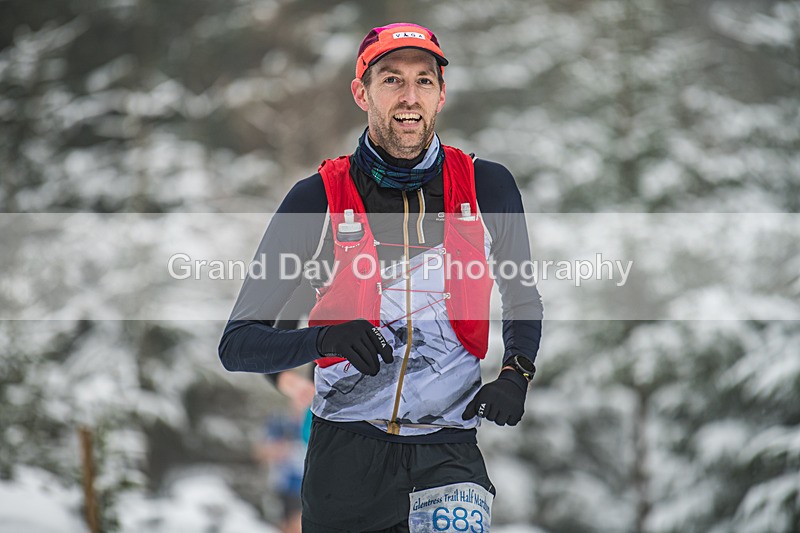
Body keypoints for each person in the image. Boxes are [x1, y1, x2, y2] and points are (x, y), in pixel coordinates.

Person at [219, 22, 543, 532]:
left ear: (441, 95)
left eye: (424, 81)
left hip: (447, 449)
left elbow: (522, 294)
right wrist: (326, 339)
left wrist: (516, 373)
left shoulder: (488, 187)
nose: (409, 97)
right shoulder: (316, 199)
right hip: (345, 456)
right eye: (391, 80)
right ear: (361, 91)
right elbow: (237, 345)